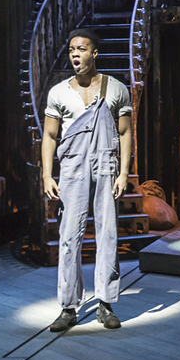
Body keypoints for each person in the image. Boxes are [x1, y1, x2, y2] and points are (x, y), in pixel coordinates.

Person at [42, 29, 132, 332]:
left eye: (81, 49)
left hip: (106, 166)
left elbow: (125, 132)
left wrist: (123, 172)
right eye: (71, 50)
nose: (75, 55)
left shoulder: (116, 89)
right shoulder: (58, 93)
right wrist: (46, 175)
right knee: (69, 237)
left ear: (95, 53)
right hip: (72, 169)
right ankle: (68, 306)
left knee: (108, 234)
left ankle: (105, 304)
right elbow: (50, 136)